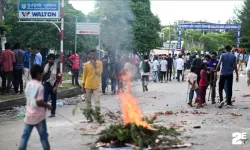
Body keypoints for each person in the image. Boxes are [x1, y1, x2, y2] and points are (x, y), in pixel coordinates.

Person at [18, 64, 51, 150]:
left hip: (29, 115)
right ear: (38, 74)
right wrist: (47, 105)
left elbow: (30, 98)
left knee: (25, 136)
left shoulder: (28, 85)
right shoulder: (40, 86)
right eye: (41, 73)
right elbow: (39, 101)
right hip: (39, 116)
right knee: (43, 137)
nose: (42, 75)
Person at [82, 49, 103, 123]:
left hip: (96, 85)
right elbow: (84, 75)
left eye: (94, 54)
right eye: (91, 54)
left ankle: (98, 117)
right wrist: (83, 85)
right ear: (89, 55)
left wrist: (95, 66)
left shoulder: (99, 63)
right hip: (87, 85)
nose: (92, 56)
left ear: (96, 55)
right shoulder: (86, 64)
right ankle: (89, 117)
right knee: (88, 102)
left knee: (97, 101)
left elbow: (99, 73)